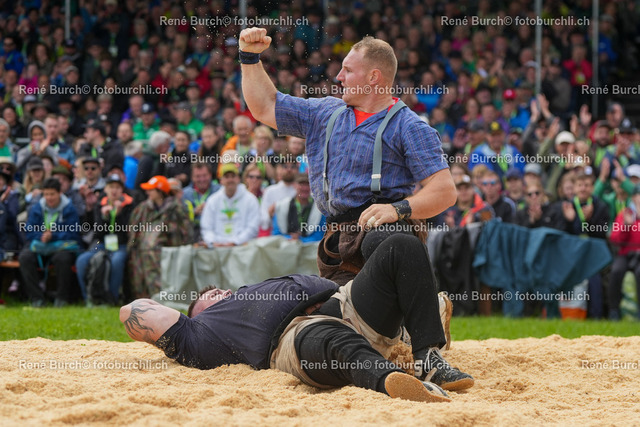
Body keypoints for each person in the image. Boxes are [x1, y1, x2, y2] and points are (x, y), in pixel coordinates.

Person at [120, 233, 473, 402]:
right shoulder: (199, 335)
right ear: (196, 317)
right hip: (290, 339)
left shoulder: (254, 289)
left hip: (343, 303)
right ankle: (393, 380)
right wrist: (182, 324)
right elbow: (130, 312)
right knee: (329, 339)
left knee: (401, 245)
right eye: (210, 298)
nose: (220, 293)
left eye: (221, 290)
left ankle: (426, 357)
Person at [239, 28, 455, 285]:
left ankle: (420, 307)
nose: (338, 77)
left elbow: (444, 191)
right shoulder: (324, 112)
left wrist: (395, 210)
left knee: (377, 261)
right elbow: (265, 107)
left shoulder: (410, 126)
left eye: (348, 70)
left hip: (385, 236)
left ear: (373, 77)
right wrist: (249, 58)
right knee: (326, 307)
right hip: (336, 241)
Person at [19, 178, 81, 307]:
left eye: (52, 194)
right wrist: (41, 236)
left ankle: (61, 298)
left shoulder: (70, 209)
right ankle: (37, 298)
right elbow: (29, 230)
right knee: (24, 257)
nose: (49, 198)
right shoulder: (37, 208)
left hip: (60, 246)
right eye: (46, 194)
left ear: (59, 193)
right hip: (40, 245)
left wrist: (53, 236)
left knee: (63, 259)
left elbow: (73, 233)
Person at [127, 175, 193, 298]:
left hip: (168, 255)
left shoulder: (176, 209)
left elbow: (185, 232)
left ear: (160, 191)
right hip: (142, 255)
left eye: (151, 190)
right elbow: (133, 229)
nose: (147, 192)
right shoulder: (143, 208)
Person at [75, 174, 134, 304]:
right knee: (82, 260)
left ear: (122, 190)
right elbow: (97, 234)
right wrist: (104, 218)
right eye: (111, 187)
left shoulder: (129, 205)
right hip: (102, 244)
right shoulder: (99, 205)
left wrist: (119, 216)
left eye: (117, 187)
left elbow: (128, 233)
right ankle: (88, 298)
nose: (114, 190)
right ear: (106, 189)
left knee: (116, 261)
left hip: (121, 245)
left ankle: (112, 298)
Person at [200, 163, 260, 247]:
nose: (230, 180)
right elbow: (206, 227)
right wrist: (213, 242)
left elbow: (252, 228)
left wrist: (235, 242)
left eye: (233, 176)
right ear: (221, 180)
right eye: (226, 177)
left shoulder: (251, 200)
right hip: (217, 248)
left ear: (238, 178)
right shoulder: (212, 201)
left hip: (242, 248)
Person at [608, 184, 640, 320]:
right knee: (616, 271)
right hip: (625, 254)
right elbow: (615, 239)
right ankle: (614, 311)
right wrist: (626, 226)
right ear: (633, 198)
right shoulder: (625, 214)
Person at [272, 173, 325, 242]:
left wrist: (300, 240)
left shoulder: (319, 209)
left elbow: (319, 235)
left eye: (307, 184)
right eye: (301, 184)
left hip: (310, 246)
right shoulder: (282, 206)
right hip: (286, 245)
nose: (305, 188)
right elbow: (276, 234)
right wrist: (290, 238)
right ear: (294, 185)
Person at [182, 162, 220, 241]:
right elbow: (180, 217)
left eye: (204, 175)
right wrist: (194, 212)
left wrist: (210, 209)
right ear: (192, 177)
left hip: (216, 232)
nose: (202, 179)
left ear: (210, 175)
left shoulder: (219, 191)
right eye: (198, 176)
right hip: (192, 234)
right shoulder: (184, 194)